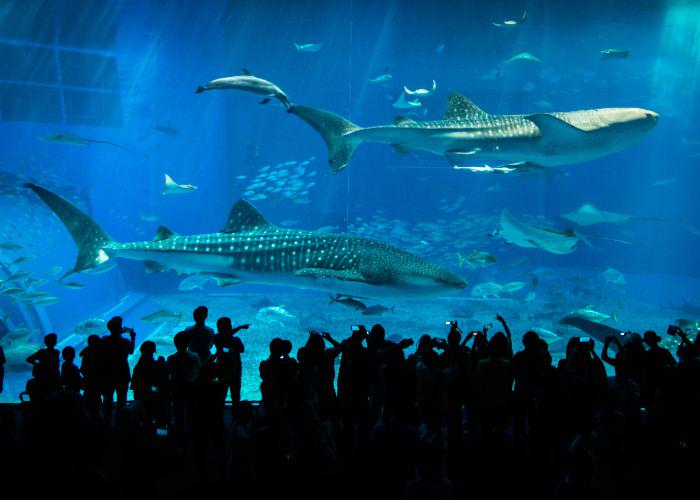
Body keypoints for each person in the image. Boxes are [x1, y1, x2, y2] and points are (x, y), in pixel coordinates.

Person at [167, 331, 200, 449]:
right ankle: (191, 433)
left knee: (178, 412)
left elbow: (170, 375)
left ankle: (179, 436)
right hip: (191, 387)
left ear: (175, 343)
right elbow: (198, 371)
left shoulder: (171, 358)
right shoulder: (194, 356)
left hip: (177, 388)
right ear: (188, 343)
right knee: (192, 410)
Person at [101, 316, 135, 424]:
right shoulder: (125, 341)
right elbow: (131, 351)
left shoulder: (105, 340)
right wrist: (133, 337)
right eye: (120, 326)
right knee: (121, 400)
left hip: (108, 374)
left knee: (107, 399)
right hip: (122, 374)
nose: (122, 328)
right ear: (117, 328)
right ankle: (120, 422)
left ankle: (107, 421)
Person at [214, 316, 248, 403]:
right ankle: (235, 416)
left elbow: (224, 335)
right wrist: (240, 327)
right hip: (235, 370)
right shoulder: (236, 340)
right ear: (230, 327)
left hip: (221, 369)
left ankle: (219, 416)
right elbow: (242, 349)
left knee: (220, 396)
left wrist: (240, 327)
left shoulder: (216, 338)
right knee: (235, 397)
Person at [26, 332, 60, 398]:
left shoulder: (41, 352)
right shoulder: (56, 352)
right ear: (55, 342)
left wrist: (37, 364)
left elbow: (29, 359)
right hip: (54, 377)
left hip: (43, 377)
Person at [79, 334, 103, 420]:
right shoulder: (94, 353)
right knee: (96, 403)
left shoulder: (86, 352)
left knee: (90, 403)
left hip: (89, 383)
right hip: (93, 383)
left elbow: (82, 369)